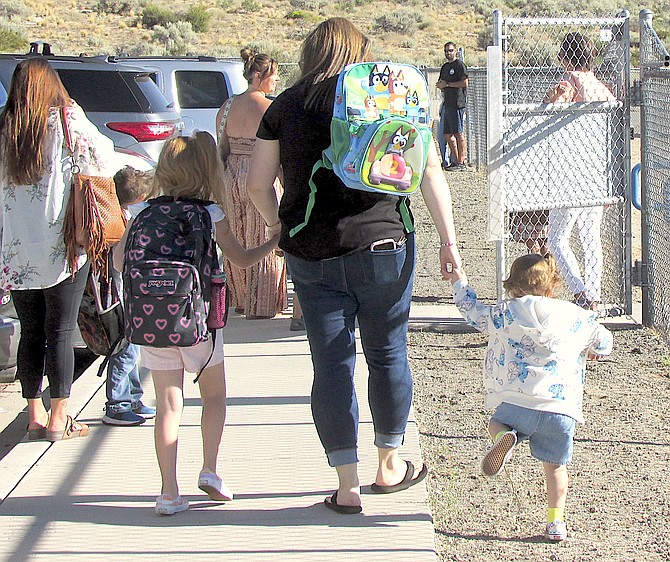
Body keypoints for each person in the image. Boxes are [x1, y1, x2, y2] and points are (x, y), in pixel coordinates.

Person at [247, 17, 462, 514]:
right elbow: (429, 170)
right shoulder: (389, 99)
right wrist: (450, 243)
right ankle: (389, 466)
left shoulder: (284, 105)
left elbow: (257, 183)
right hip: (385, 243)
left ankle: (346, 484)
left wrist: (282, 225)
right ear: (361, 53)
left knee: (331, 364)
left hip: (312, 252)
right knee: (388, 353)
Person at [113, 132, 278, 516]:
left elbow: (119, 262)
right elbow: (241, 259)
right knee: (214, 397)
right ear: (207, 170)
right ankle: (210, 470)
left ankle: (169, 493)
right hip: (199, 321)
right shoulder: (209, 213)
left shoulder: (142, 213)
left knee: (169, 404)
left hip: (152, 321)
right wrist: (274, 242)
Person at [449, 253, 613, 541]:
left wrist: (458, 279)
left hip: (517, 400)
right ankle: (555, 523)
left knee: (496, 424)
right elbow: (604, 341)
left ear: (511, 285)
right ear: (553, 285)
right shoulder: (573, 316)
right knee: (556, 468)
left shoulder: (504, 313)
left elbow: (471, 310)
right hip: (559, 408)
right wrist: (594, 351)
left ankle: (504, 440)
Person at [0, 58, 117, 442]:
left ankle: (33, 415)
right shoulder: (67, 121)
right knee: (60, 331)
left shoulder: (5, 126)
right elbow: (105, 157)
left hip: (15, 249)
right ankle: (58, 418)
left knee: (31, 331)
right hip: (64, 244)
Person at [544, 32, 615, 309]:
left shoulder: (569, 82)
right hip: (596, 171)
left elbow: (551, 115)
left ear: (565, 57)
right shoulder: (601, 88)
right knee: (590, 237)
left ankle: (580, 292)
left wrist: (550, 99)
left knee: (557, 237)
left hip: (571, 171)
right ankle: (593, 294)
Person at [216, 49, 287, 319]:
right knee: (267, 235)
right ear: (259, 76)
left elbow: (221, 146)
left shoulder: (227, 106)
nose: (277, 80)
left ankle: (242, 299)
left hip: (231, 176)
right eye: (274, 75)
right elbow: (277, 151)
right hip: (260, 173)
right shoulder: (270, 108)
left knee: (237, 236)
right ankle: (263, 303)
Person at [101, 166, 156, 426]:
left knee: (133, 349)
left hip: (127, 293)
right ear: (137, 202)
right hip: (122, 297)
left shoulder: (116, 219)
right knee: (126, 351)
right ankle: (118, 403)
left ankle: (133, 397)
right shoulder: (122, 225)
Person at [436, 41, 468, 171]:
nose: (448, 53)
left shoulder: (460, 65)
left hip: (457, 103)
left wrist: (448, 84)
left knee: (458, 133)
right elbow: (441, 83)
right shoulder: (444, 67)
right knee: (448, 134)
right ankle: (455, 161)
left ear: (455, 51)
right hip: (447, 103)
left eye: (450, 50)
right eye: (446, 51)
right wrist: (441, 86)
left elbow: (464, 83)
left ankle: (461, 162)